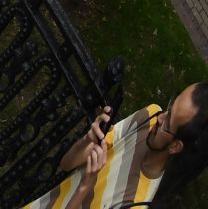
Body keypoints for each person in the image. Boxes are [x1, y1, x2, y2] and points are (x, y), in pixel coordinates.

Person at [15, 88, 208, 208]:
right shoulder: (147, 118)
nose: (160, 117)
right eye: (170, 106)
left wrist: (85, 188)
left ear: (175, 146)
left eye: (168, 123)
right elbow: (66, 164)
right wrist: (87, 140)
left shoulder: (137, 202)